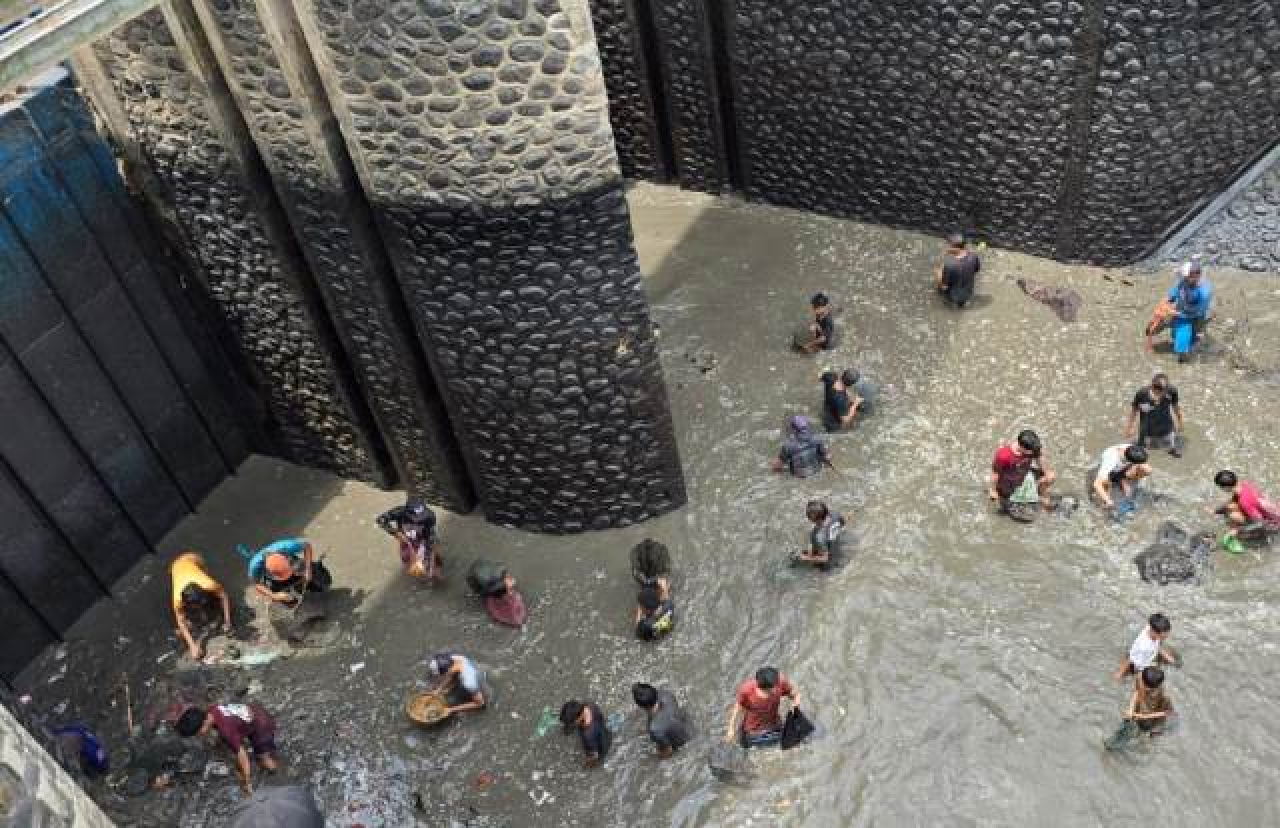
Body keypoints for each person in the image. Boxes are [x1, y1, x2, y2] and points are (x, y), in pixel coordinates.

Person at [175, 703, 279, 794]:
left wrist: (246, 780)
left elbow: (243, 756)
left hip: (262, 725)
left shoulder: (226, 730)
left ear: (205, 723)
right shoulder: (212, 709)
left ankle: (272, 769)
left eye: (198, 733)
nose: (199, 735)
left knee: (263, 757)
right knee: (235, 737)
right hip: (253, 710)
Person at [169, 551, 232, 661]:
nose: (199, 607)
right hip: (175, 568)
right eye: (196, 605)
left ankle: (209, 598)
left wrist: (228, 621)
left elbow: (224, 597)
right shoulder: (177, 600)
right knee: (188, 618)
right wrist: (192, 646)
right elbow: (181, 623)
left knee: (213, 590)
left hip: (193, 559)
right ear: (186, 604)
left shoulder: (209, 584)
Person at [724, 667, 799, 748]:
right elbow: (738, 708)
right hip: (753, 731)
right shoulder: (746, 691)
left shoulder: (780, 682)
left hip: (775, 726)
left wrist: (796, 703)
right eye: (775, 685)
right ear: (766, 688)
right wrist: (731, 728)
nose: (778, 686)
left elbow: (794, 694)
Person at [988, 430, 1056, 517]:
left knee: (1051, 476)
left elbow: (1039, 458)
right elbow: (995, 473)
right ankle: (1006, 502)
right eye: (1031, 451)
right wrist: (993, 490)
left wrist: (1046, 472)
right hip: (1008, 481)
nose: (1034, 452)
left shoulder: (1033, 448)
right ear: (1021, 447)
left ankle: (1041, 495)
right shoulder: (1004, 455)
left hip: (1023, 472)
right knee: (1020, 514)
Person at [245, 538, 329, 607]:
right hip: (275, 580)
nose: (288, 577)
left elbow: (307, 546)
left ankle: (313, 588)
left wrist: (308, 569)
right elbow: (256, 584)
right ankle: (292, 602)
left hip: (293, 565)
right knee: (282, 597)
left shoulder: (288, 546)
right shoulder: (255, 566)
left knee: (313, 576)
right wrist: (274, 596)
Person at [1212, 470, 1280, 542]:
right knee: (1231, 507)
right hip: (1271, 512)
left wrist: (1238, 530)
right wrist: (1217, 511)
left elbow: (1261, 524)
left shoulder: (1244, 502)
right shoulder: (1244, 485)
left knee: (1234, 517)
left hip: (1274, 523)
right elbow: (1234, 501)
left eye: (1220, 487)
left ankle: (1260, 538)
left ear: (1225, 488)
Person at [1126, 373, 1183, 455]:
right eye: (1156, 388)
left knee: (1172, 448)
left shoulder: (1172, 391)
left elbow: (1176, 407)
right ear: (1151, 385)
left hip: (1167, 427)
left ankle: (1171, 450)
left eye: (1162, 389)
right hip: (1146, 430)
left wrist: (1180, 422)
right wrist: (1130, 428)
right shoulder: (1141, 394)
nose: (1158, 392)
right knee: (1142, 453)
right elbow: (1134, 411)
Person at [1166, 259, 1212, 362]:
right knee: (1175, 333)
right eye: (1184, 277)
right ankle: (1182, 343)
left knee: (1193, 337)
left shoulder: (1204, 292)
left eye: (1187, 277)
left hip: (1196, 315)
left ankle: (1187, 354)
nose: (1184, 279)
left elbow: (1198, 311)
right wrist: (1170, 298)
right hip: (1182, 309)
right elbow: (1177, 288)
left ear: (1196, 275)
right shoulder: (1185, 280)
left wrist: (1178, 314)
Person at [632, 683, 692, 759]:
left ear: (640, 706)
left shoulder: (655, 729)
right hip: (689, 728)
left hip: (684, 743)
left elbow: (668, 751)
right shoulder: (666, 695)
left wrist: (655, 758)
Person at [1113, 613, 1176, 682]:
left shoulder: (1151, 628)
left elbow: (1157, 644)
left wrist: (1165, 655)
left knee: (1171, 656)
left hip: (1149, 656)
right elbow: (1130, 659)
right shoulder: (1143, 646)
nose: (1167, 636)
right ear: (1154, 632)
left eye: (1167, 633)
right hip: (1140, 666)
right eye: (1164, 635)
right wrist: (1120, 673)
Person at [1091, 444, 1152, 512]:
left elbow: (1142, 463)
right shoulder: (1111, 460)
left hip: (1122, 468)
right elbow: (1096, 484)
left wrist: (1126, 475)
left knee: (1147, 469)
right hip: (1110, 472)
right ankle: (1103, 504)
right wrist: (1108, 501)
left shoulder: (1133, 449)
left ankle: (1122, 480)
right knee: (1105, 487)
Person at [794, 500, 847, 571]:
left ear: (812, 519)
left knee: (796, 560)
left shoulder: (818, 535)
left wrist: (805, 558)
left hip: (831, 562)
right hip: (837, 548)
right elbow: (843, 522)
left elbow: (825, 559)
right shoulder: (835, 515)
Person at [935, 232, 981, 308]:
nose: (946, 247)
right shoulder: (974, 256)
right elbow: (976, 270)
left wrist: (938, 271)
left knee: (940, 284)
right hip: (968, 294)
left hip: (953, 298)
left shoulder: (949, 264)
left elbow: (944, 286)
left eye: (948, 245)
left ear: (952, 247)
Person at [559, 700, 610, 768]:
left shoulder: (587, 735)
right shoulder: (589, 705)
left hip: (601, 745)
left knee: (593, 756)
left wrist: (589, 763)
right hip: (600, 727)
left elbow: (594, 753)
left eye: (570, 723)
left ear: (577, 719)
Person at [1125, 666, 1174, 734]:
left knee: (1149, 731)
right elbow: (1136, 692)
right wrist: (1131, 709)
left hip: (1152, 719)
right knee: (1127, 725)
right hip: (1139, 712)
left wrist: (1144, 716)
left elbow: (1168, 712)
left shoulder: (1164, 696)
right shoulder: (1140, 679)